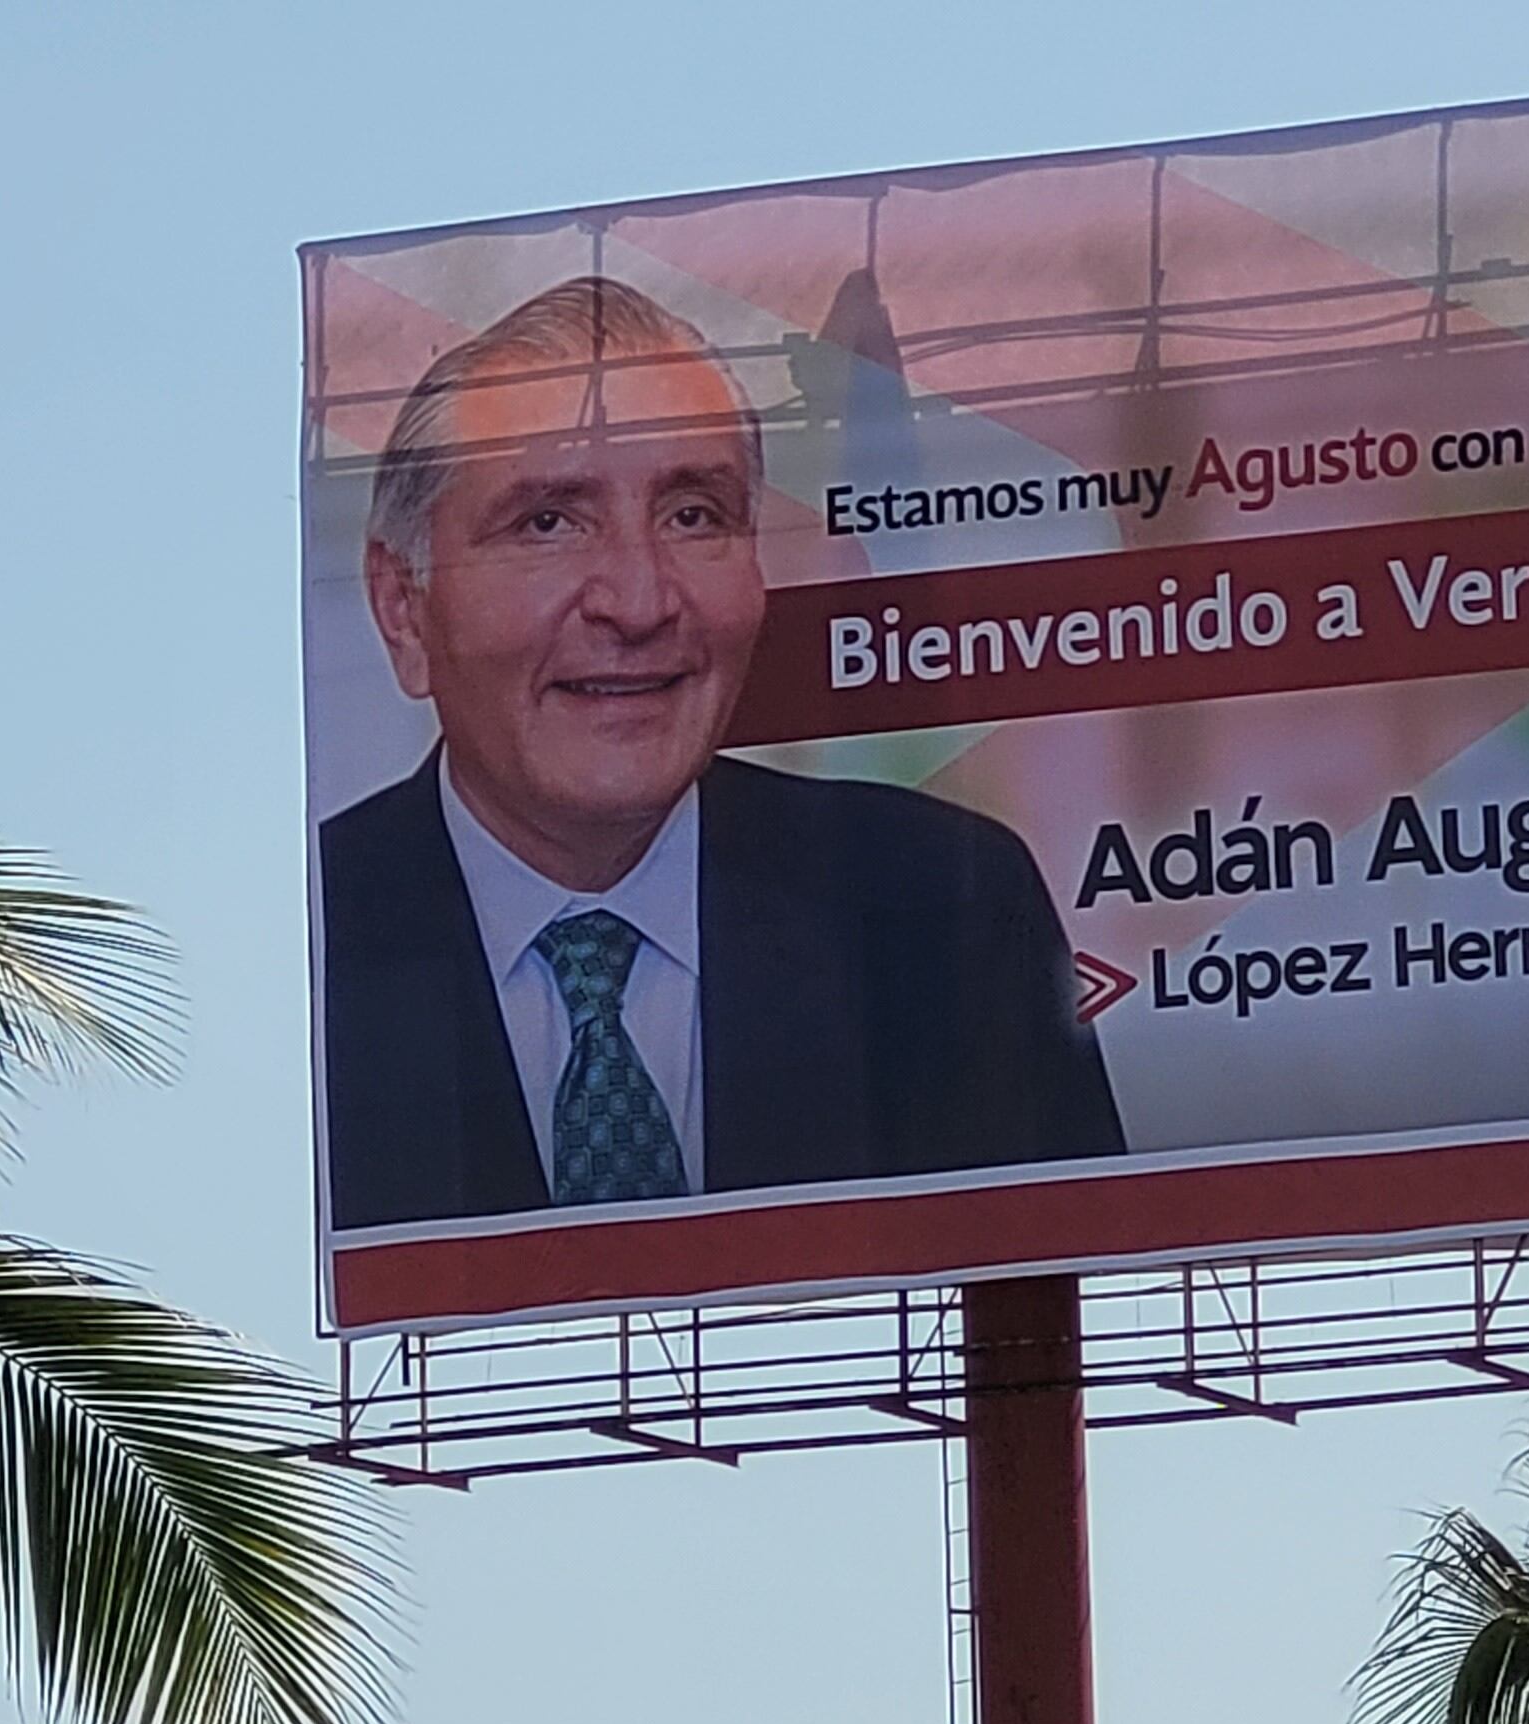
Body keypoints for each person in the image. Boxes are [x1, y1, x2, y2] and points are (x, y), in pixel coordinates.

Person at [318, 276, 1121, 1231]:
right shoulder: (296, 953)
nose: (638, 602)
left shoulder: (944, 908)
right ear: (402, 608)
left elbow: (1062, 1307)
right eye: (548, 523)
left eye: (693, 515)